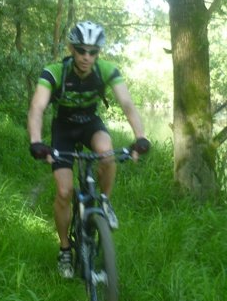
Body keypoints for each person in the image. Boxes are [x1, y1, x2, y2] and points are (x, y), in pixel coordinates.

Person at [27, 20, 151, 279]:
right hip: (63, 128)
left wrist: (140, 137)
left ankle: (104, 202)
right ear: (72, 49)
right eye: (82, 50)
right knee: (64, 191)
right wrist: (37, 141)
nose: (86, 57)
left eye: (93, 52)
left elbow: (127, 104)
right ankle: (64, 249)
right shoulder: (55, 72)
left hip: (90, 124)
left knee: (106, 154)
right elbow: (37, 107)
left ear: (99, 54)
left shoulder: (106, 70)